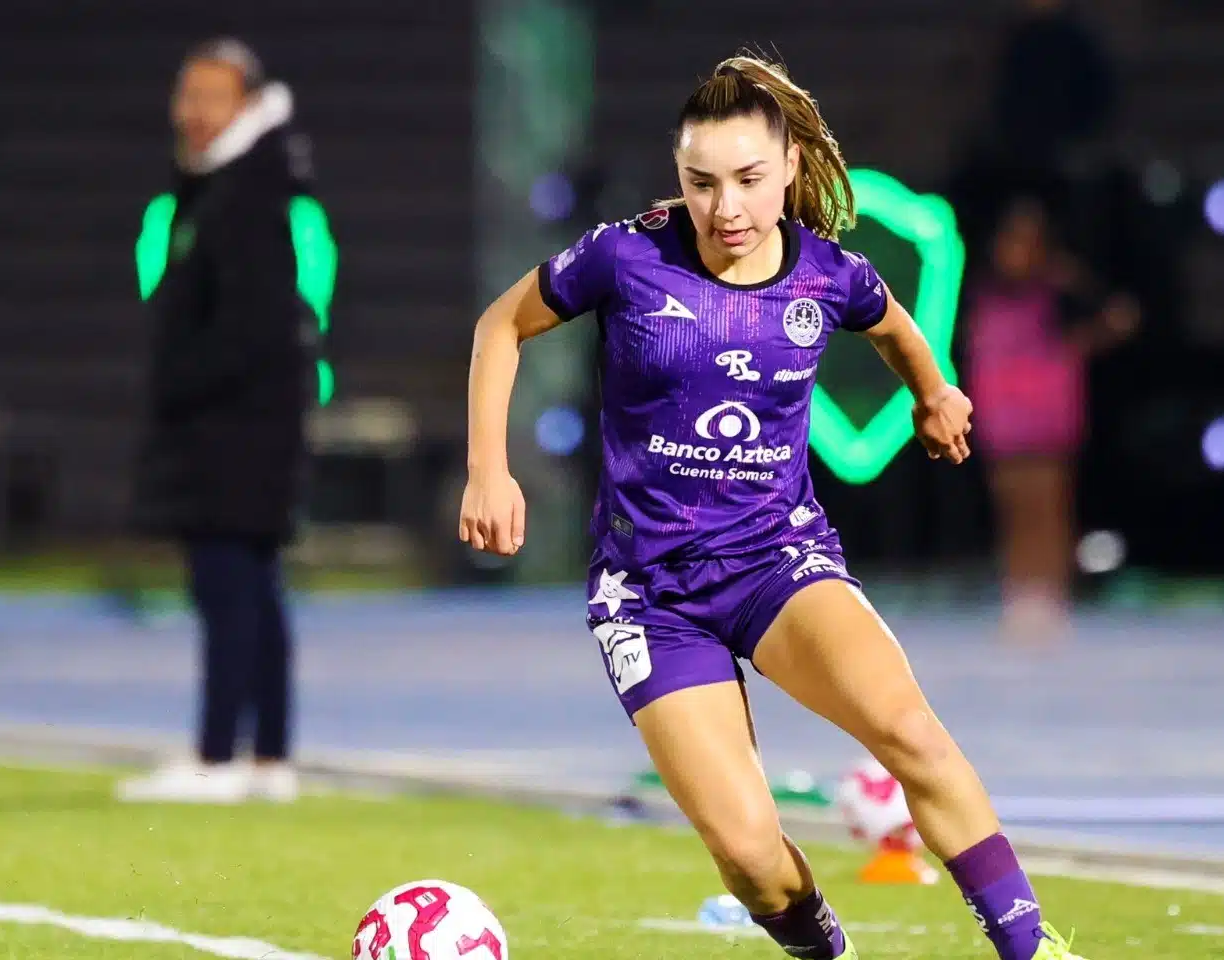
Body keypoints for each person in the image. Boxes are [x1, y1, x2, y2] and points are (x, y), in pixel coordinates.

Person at [460, 54, 1091, 960]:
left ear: (791, 166)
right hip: (652, 595)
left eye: (750, 181)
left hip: (777, 562)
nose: (726, 209)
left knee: (912, 733)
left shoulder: (828, 274)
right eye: (702, 182)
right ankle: (828, 952)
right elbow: (498, 326)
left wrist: (933, 391)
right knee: (754, 860)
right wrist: (490, 468)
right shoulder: (625, 255)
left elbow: (893, 325)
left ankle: (1037, 953)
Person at [118, 38, 317, 805]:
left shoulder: (250, 190)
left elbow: (254, 326)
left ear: (248, 105)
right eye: (187, 94)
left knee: (230, 588)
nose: (193, 112)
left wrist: (181, 384)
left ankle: (218, 755)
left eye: (212, 96)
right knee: (252, 591)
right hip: (239, 424)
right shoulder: (221, 184)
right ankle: (266, 758)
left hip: (239, 429)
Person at [966, 196, 1137, 642]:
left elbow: (1111, 319)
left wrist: (1071, 276)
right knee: (1014, 510)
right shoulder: (983, 293)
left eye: (1029, 243)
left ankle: (1051, 597)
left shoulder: (1056, 293)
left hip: (1046, 413)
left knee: (1049, 508)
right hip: (1003, 414)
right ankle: (1020, 595)